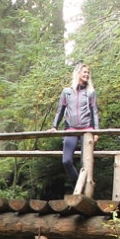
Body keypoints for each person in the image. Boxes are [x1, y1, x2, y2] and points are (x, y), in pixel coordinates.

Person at [51, 63, 100, 191]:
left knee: (86, 163)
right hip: (71, 129)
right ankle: (78, 186)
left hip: (87, 131)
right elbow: (60, 111)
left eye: (88, 72)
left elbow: (94, 112)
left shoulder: (90, 92)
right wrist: (54, 127)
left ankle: (85, 190)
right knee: (66, 161)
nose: (87, 74)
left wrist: (96, 132)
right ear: (78, 73)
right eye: (84, 72)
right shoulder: (67, 92)